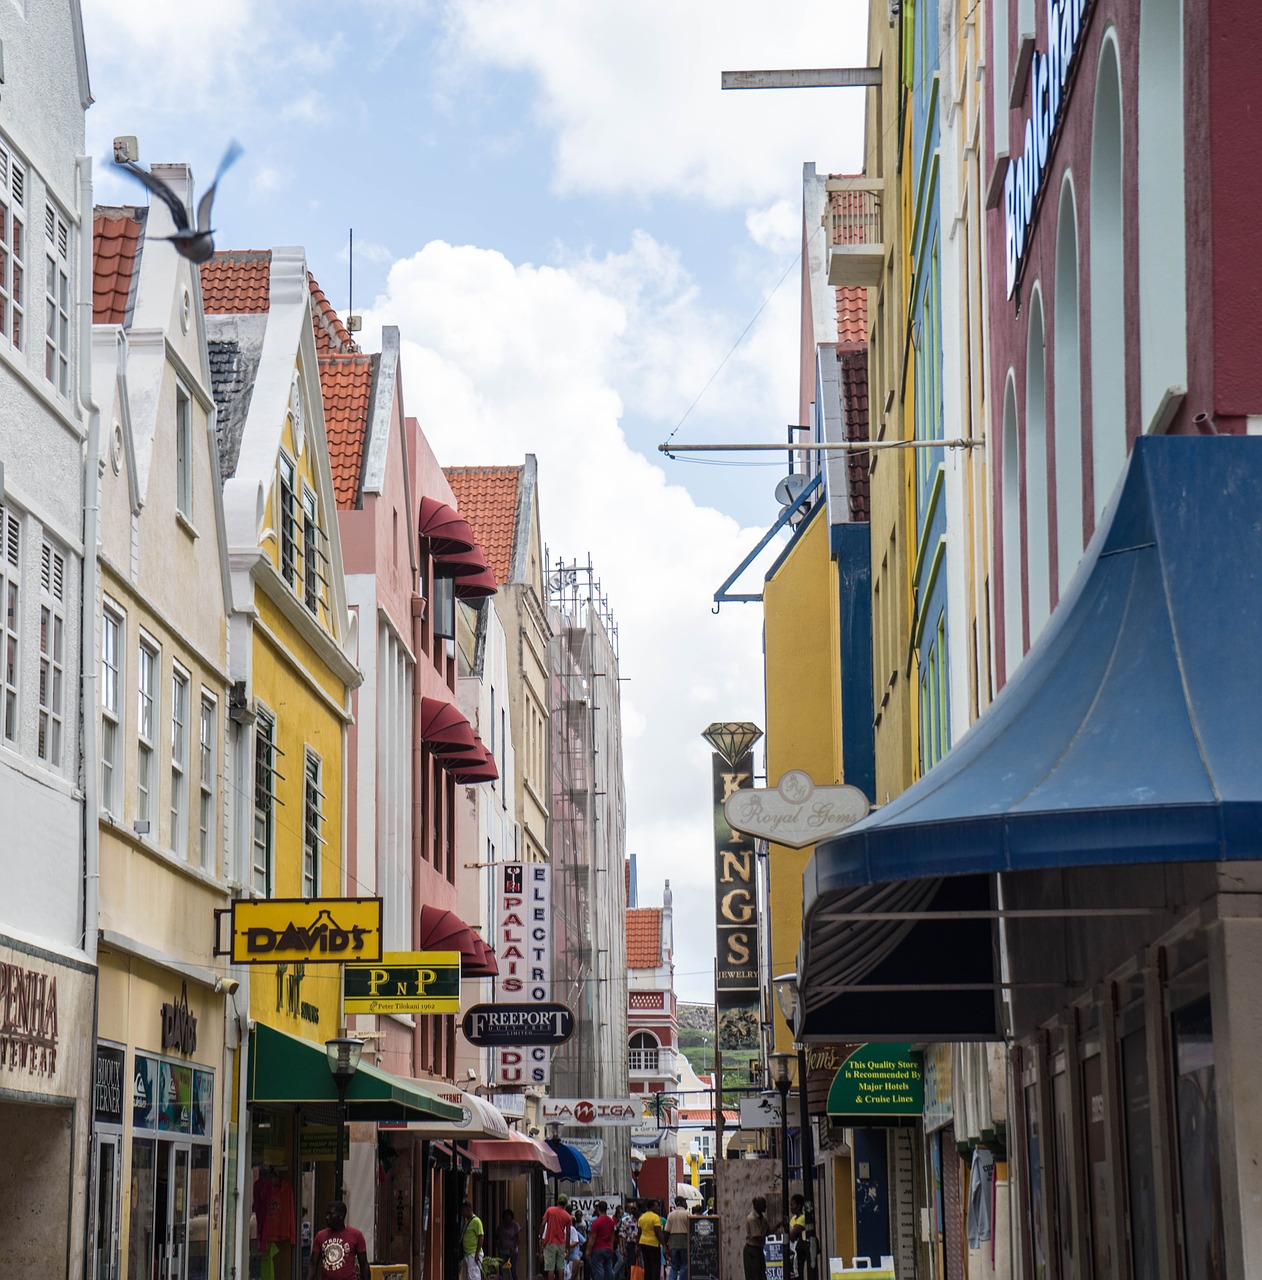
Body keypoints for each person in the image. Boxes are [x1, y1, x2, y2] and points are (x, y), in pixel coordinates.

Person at [307, 1201, 370, 1280]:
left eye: (331, 1214)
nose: (327, 1217)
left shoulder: (356, 1235)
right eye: (326, 1214)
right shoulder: (320, 1236)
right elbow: (313, 1264)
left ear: (341, 1215)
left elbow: (364, 1265)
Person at [540, 1192, 574, 1280]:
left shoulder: (550, 1210)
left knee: (550, 1267)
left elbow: (543, 1224)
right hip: (561, 1243)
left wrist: (541, 1237)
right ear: (566, 1204)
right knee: (561, 1266)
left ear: (557, 1201)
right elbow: (568, 1234)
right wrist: (568, 1249)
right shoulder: (567, 1216)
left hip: (550, 1242)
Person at [586, 1201, 618, 1280]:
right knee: (608, 1268)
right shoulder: (611, 1221)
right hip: (608, 1248)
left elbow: (593, 1237)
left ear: (598, 1209)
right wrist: (611, 1247)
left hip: (598, 1248)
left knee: (598, 1270)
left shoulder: (596, 1222)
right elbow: (612, 1235)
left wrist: (588, 1250)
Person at [743, 1196, 772, 1280]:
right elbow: (758, 1237)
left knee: (762, 1274)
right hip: (752, 1250)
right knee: (753, 1275)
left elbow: (768, 1232)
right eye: (763, 1205)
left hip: (759, 1249)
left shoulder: (763, 1219)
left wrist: (777, 1226)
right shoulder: (752, 1219)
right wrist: (765, 1230)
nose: (765, 1207)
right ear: (757, 1206)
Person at [663, 1197, 692, 1280]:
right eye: (685, 1202)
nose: (686, 1203)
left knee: (674, 1266)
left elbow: (666, 1231)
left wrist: (665, 1245)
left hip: (674, 1243)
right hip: (685, 1242)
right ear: (681, 1202)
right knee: (684, 1265)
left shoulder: (671, 1215)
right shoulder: (687, 1214)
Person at [637, 1199, 665, 1280]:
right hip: (653, 1244)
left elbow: (639, 1232)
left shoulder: (642, 1217)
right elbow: (658, 1232)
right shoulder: (655, 1217)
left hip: (643, 1243)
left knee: (647, 1266)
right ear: (652, 1207)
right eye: (657, 1206)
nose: (658, 1208)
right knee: (655, 1267)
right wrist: (664, 1245)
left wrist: (637, 1245)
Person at [461, 1200, 486, 1280]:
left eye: (463, 1211)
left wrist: (477, 1252)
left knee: (473, 1276)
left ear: (468, 1209)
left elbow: (481, 1236)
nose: (462, 1213)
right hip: (467, 1253)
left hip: (473, 1253)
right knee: (467, 1276)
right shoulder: (467, 1221)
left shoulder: (476, 1221)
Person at [498, 1209, 522, 1280]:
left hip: (513, 1251)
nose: (507, 1218)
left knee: (513, 1270)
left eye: (508, 1216)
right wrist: (499, 1246)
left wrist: (514, 1247)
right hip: (502, 1251)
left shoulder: (515, 1225)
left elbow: (518, 1238)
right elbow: (497, 1238)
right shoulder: (501, 1227)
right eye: (505, 1216)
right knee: (501, 1270)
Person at [788, 1196, 807, 1280]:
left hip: (798, 1251)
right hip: (791, 1251)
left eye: (792, 1205)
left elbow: (791, 1234)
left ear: (799, 1206)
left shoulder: (802, 1218)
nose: (791, 1208)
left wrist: (791, 1231)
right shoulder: (793, 1219)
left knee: (798, 1273)